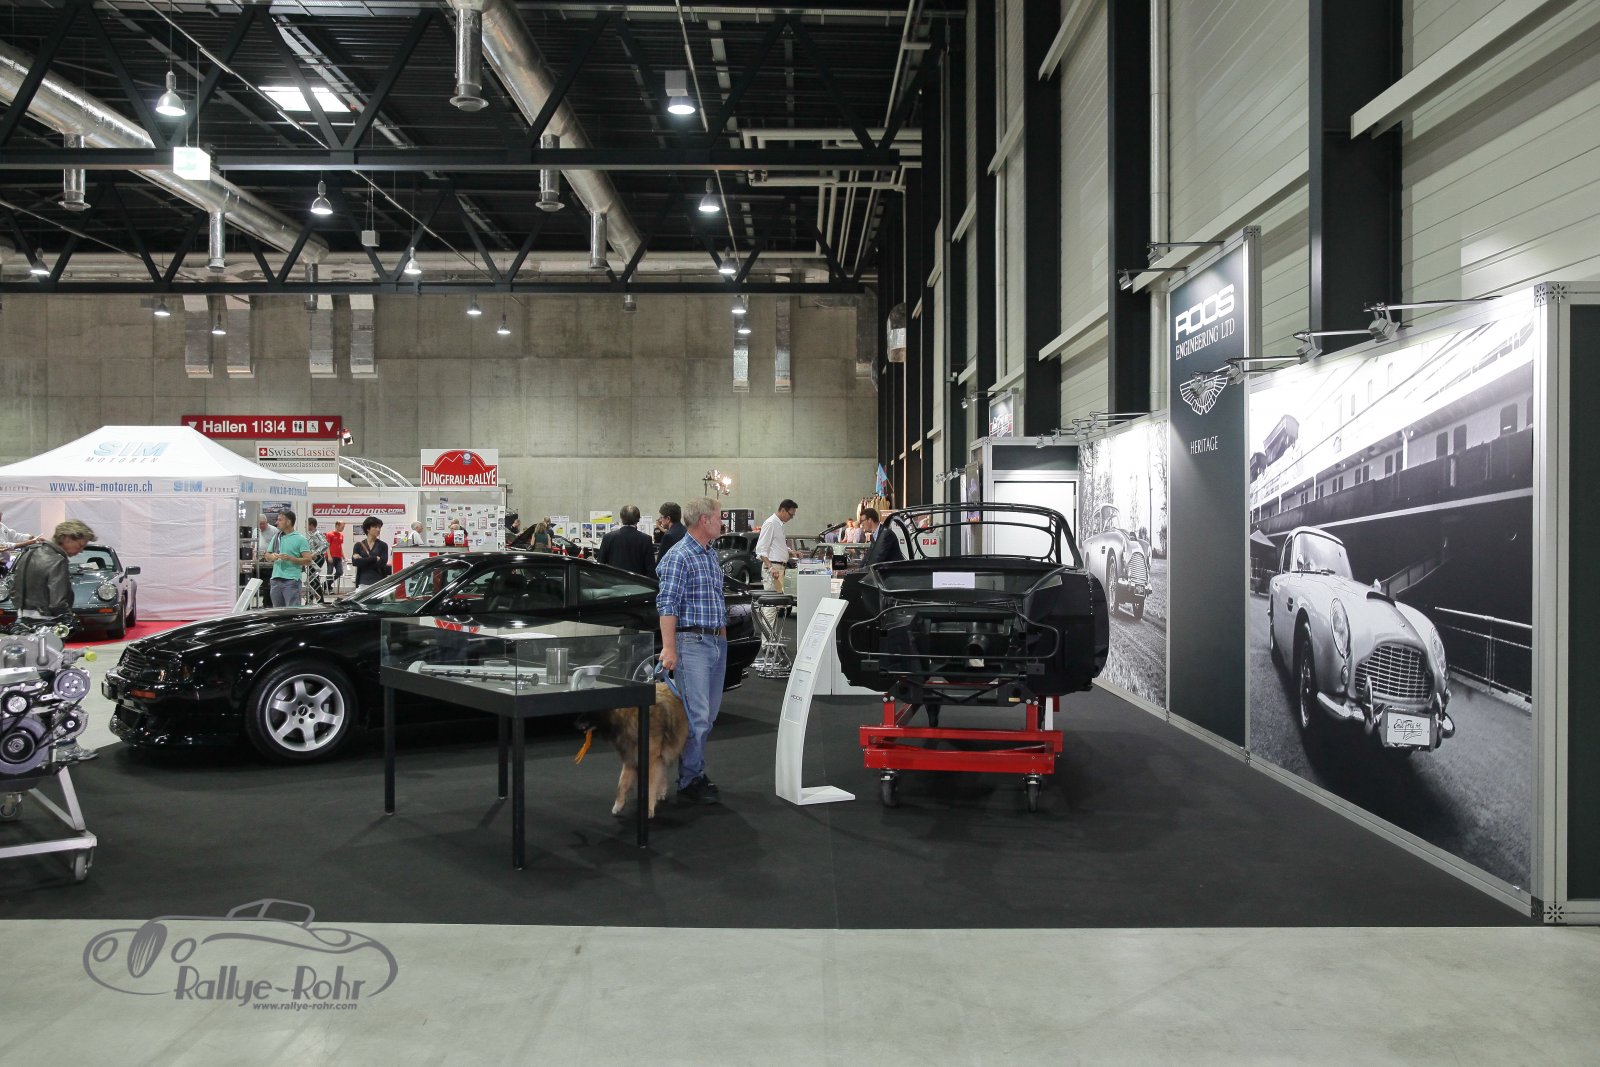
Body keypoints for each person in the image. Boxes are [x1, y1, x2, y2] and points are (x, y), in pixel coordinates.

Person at [655, 496, 727, 805]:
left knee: (707, 717)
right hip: (691, 644)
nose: (722, 523)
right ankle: (690, 779)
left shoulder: (709, 554)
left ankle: (692, 773)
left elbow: (716, 599)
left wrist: (722, 638)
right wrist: (669, 648)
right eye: (719, 517)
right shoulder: (679, 556)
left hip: (715, 643)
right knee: (698, 716)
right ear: (704, 520)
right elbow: (667, 605)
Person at [12, 519, 97, 761]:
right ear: (67, 538)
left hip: (23, 625)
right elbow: (58, 600)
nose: (80, 550)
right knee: (58, 689)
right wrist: (70, 619)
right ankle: (66, 747)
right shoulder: (57, 559)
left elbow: (14, 591)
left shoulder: (29, 553)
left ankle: (33, 743)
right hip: (47, 628)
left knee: (30, 687)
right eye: (80, 545)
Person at [755, 498, 798, 625]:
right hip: (773, 568)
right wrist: (771, 567)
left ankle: (770, 635)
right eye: (791, 514)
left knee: (774, 607)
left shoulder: (778, 524)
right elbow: (761, 549)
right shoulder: (770, 523)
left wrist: (790, 551)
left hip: (778, 568)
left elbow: (777, 545)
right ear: (783, 510)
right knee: (770, 606)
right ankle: (766, 637)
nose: (791, 518)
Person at [261, 510, 314, 607]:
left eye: (280, 520)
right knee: (277, 611)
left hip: (291, 581)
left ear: (288, 522)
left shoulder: (300, 539)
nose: (277, 522)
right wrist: (272, 557)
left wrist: (290, 558)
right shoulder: (276, 537)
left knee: (292, 611)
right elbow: (267, 555)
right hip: (275, 580)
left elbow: (308, 560)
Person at [597, 505, 655, 577]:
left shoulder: (608, 537)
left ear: (621, 518)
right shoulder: (646, 539)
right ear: (638, 519)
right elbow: (650, 569)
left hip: (613, 582)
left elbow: (600, 565)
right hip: (637, 582)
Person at [351, 517, 390, 587]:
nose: (378, 529)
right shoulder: (358, 545)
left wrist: (363, 561)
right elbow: (355, 562)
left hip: (379, 582)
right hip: (362, 582)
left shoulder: (383, 545)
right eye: (375, 527)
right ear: (367, 529)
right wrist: (374, 559)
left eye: (379, 527)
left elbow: (382, 563)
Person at [325, 520, 346, 588]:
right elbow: (327, 546)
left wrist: (344, 556)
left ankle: (325, 585)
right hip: (331, 556)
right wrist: (329, 556)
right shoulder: (329, 534)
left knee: (340, 572)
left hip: (338, 556)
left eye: (343, 527)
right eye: (342, 527)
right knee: (329, 572)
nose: (343, 528)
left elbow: (340, 546)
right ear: (337, 526)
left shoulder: (341, 535)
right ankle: (328, 587)